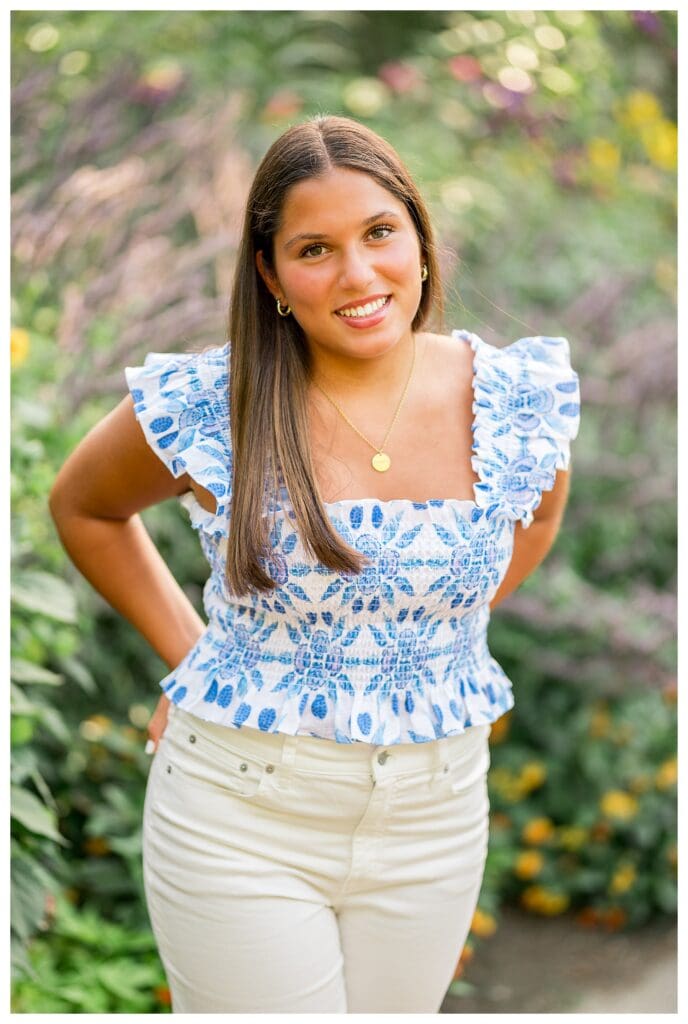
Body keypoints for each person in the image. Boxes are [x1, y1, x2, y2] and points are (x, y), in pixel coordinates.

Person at [49, 114, 581, 1013]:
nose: (358, 275)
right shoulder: (212, 402)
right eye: (314, 250)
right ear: (271, 276)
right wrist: (195, 657)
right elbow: (84, 505)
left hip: (436, 816)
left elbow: (534, 519)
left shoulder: (517, 399)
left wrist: (424, 628)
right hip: (240, 813)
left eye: (379, 233)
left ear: (419, 241)